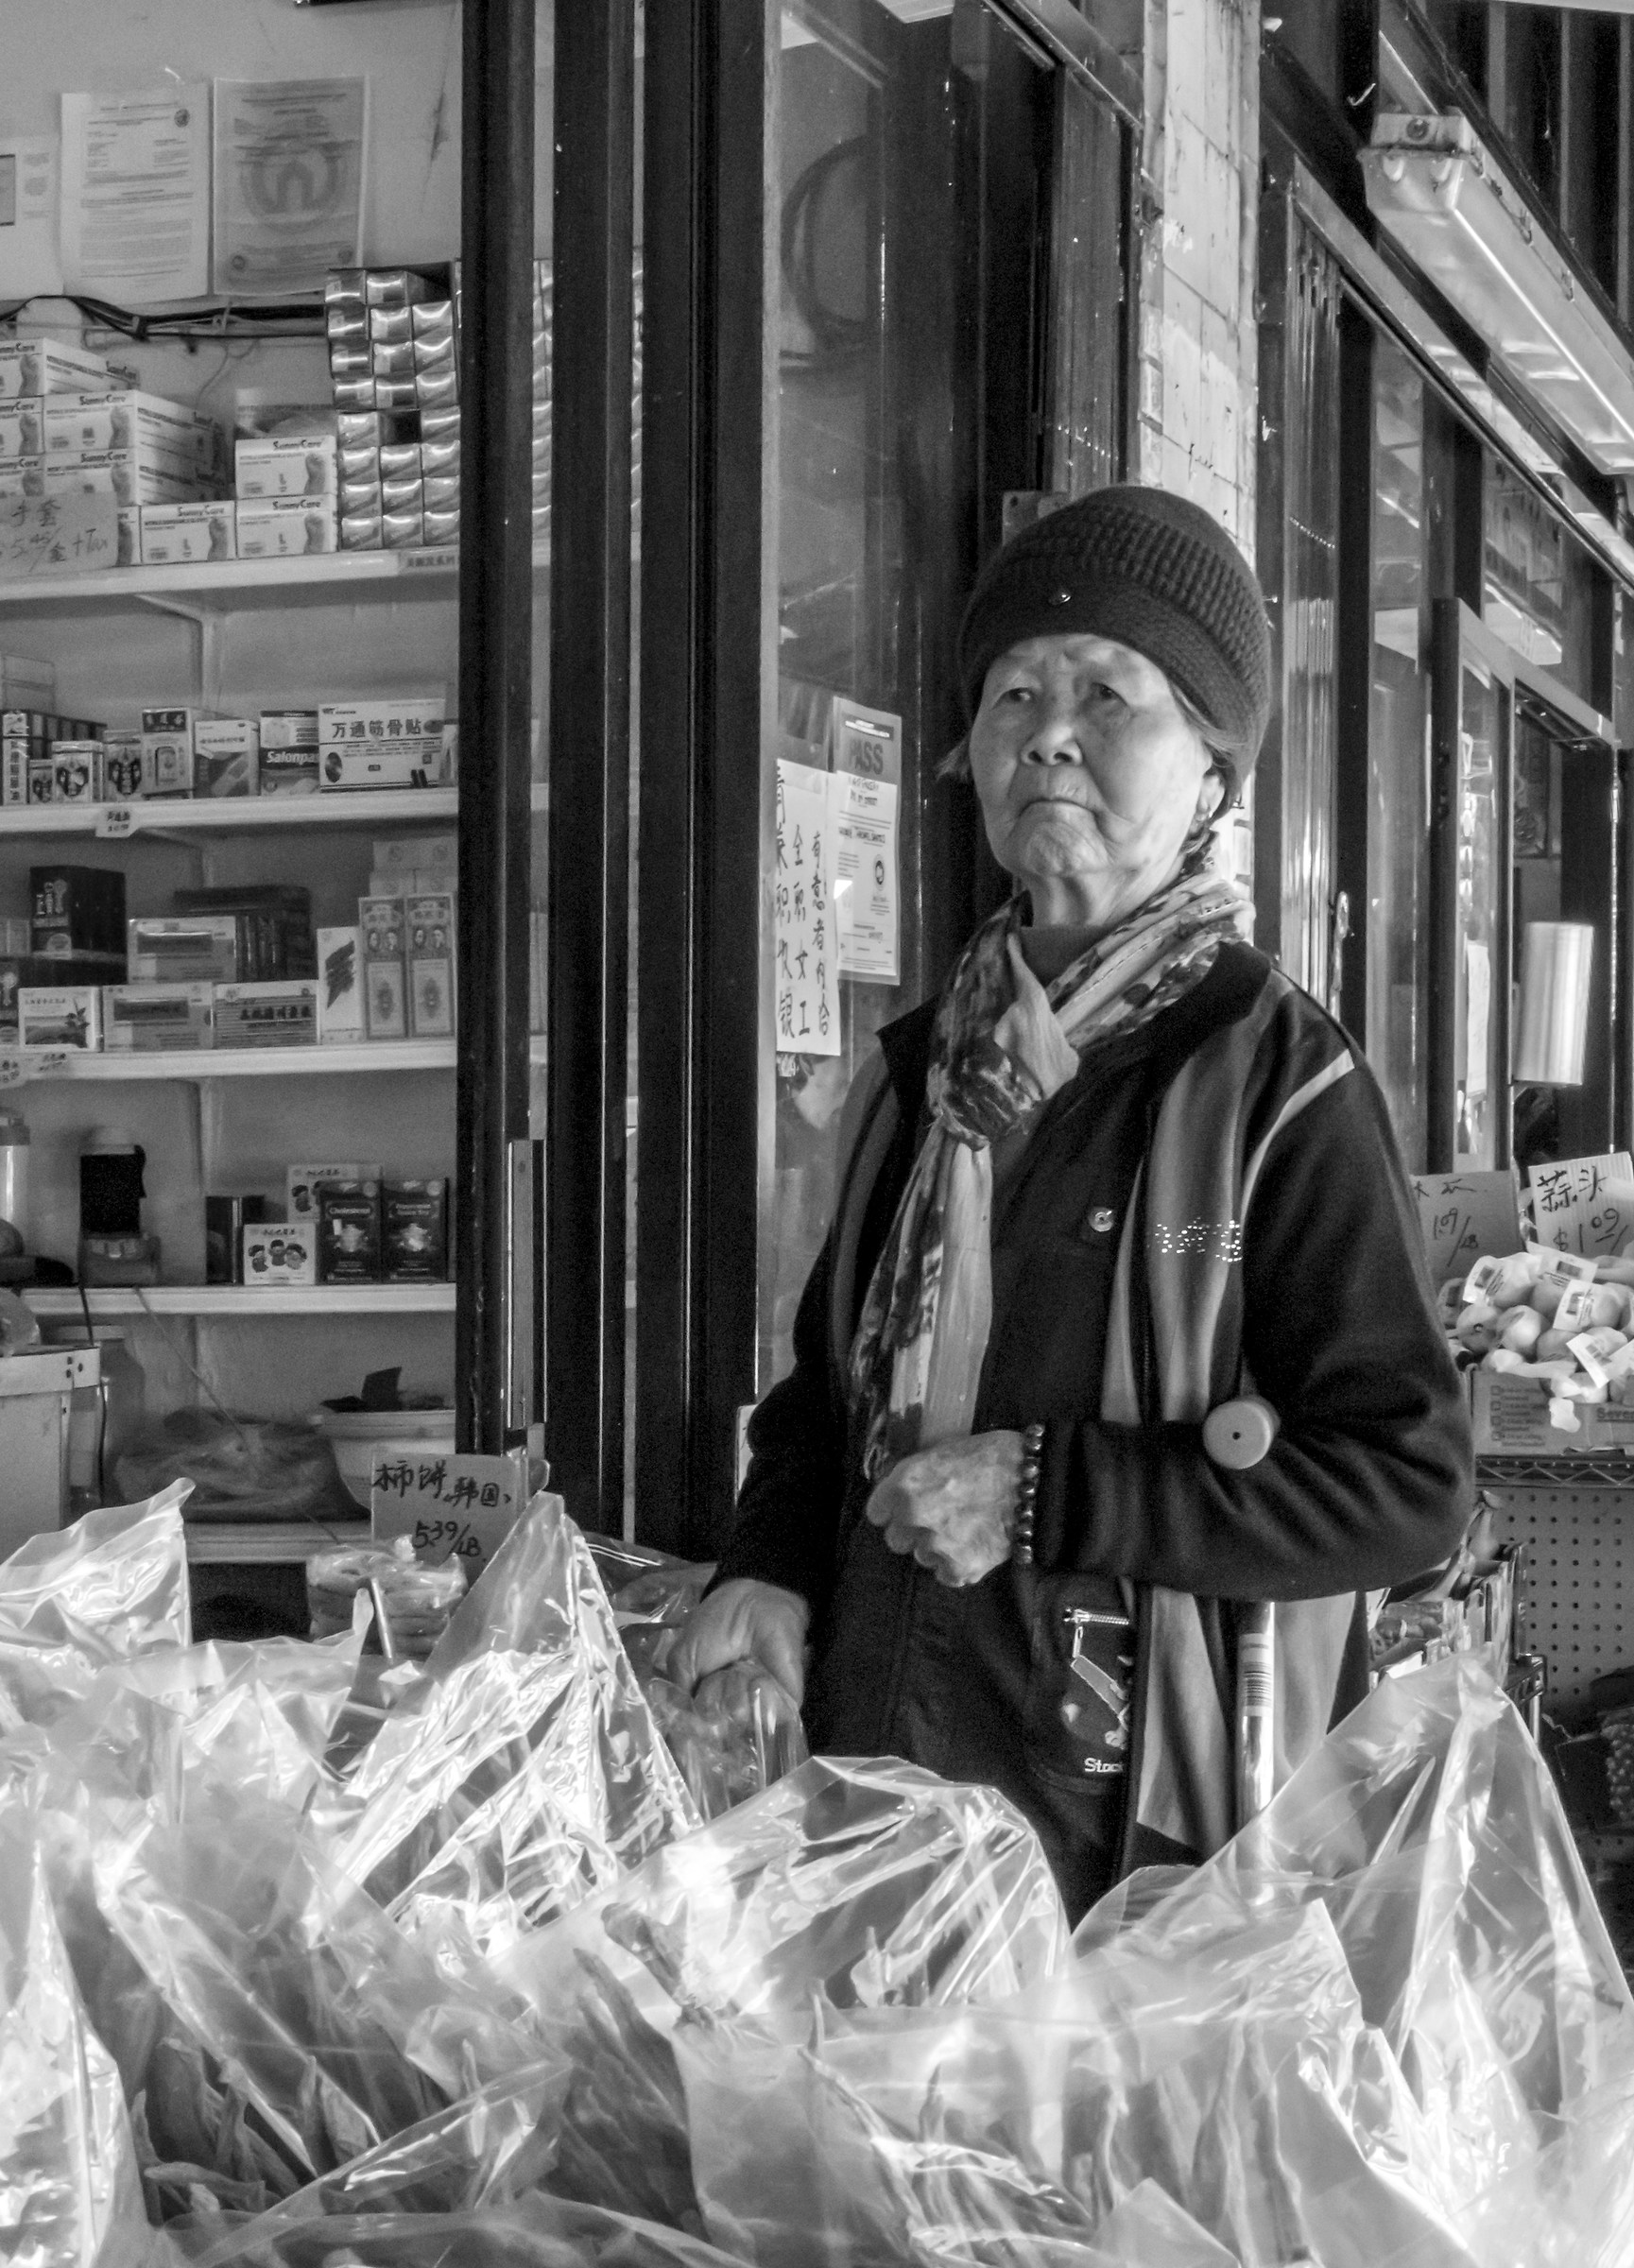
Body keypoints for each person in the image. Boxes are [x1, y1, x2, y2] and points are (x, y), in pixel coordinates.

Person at [672, 485, 1472, 1921]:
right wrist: (769, 1568)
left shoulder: (1274, 1084)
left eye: (1112, 695)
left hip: (1136, 1825)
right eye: (1013, 694)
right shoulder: (923, 1069)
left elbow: (1405, 1488)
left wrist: (1044, 1493)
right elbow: (819, 1407)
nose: (1048, 730)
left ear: (1214, 778)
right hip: (884, 1766)